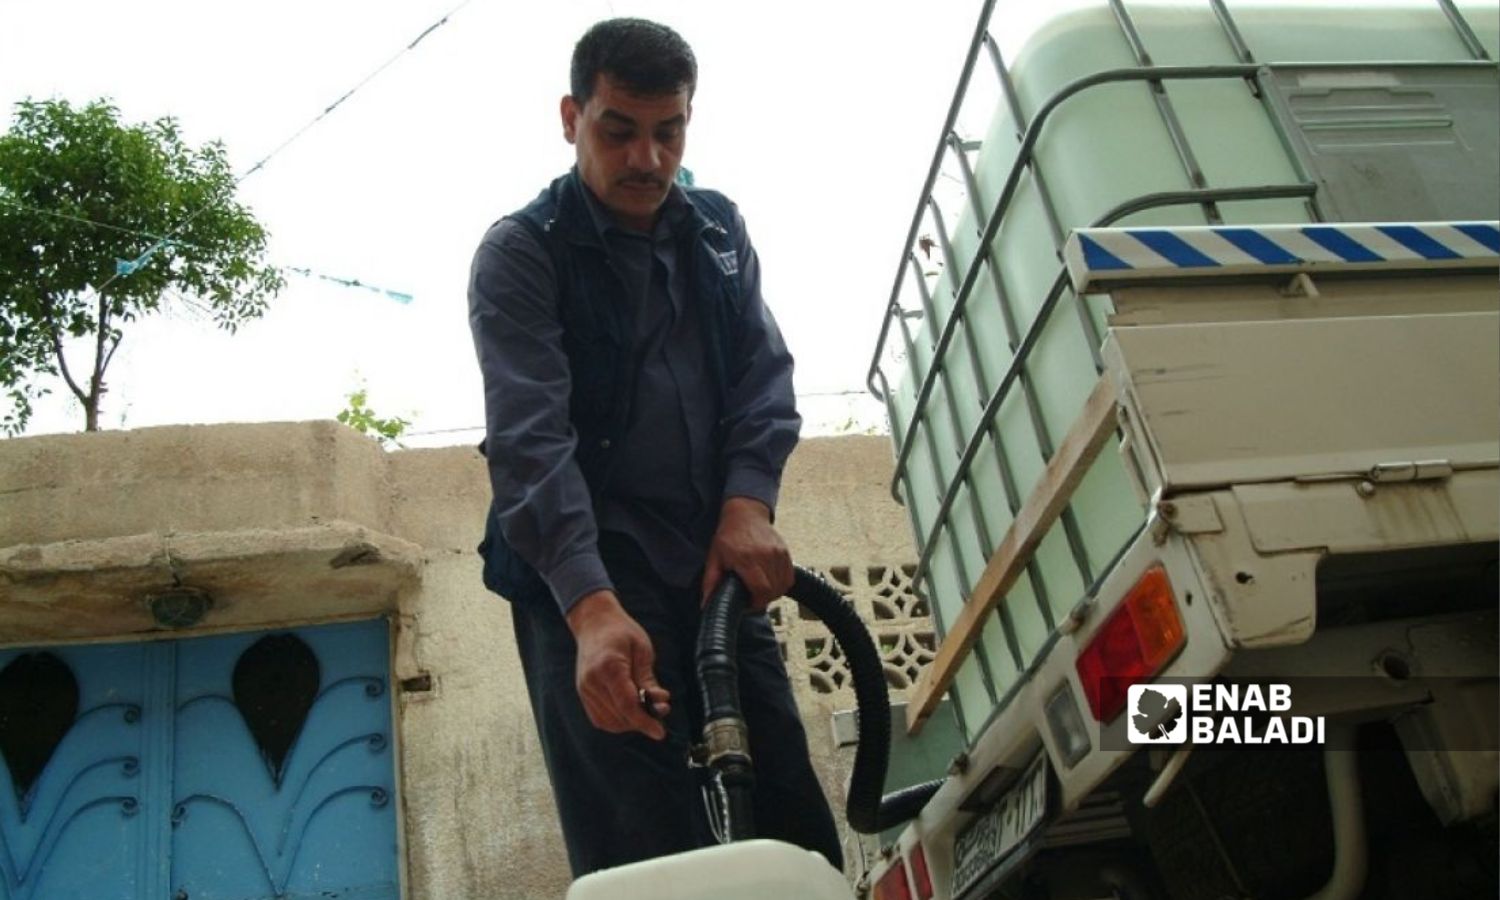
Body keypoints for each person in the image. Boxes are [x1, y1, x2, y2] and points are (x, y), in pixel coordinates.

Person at [466, 17, 842, 878]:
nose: (646, 159)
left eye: (667, 132)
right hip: (589, 581)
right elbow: (530, 442)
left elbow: (762, 375)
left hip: (716, 564)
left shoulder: (717, 231)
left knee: (788, 820)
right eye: (618, 130)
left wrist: (748, 506)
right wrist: (592, 611)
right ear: (572, 117)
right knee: (646, 847)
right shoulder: (521, 255)